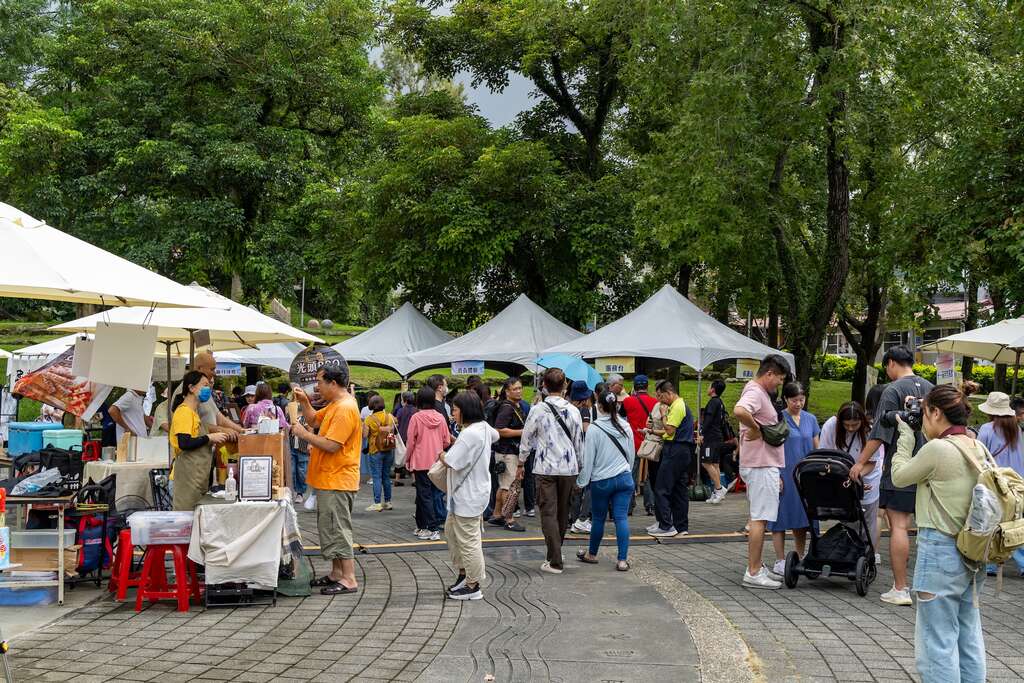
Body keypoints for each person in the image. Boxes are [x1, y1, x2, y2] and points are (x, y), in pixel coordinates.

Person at [890, 383, 989, 682]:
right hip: (974, 549)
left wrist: (906, 438)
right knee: (968, 634)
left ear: (935, 412)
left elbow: (899, 477)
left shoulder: (937, 449)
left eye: (925, 412)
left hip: (940, 551)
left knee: (937, 641)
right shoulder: (975, 445)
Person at [850, 345, 934, 606]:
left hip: (903, 467)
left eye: (887, 366)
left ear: (892, 364)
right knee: (930, 529)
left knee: (899, 526)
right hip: (932, 465)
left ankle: (900, 588)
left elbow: (879, 434)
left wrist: (860, 462)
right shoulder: (932, 388)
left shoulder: (893, 390)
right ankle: (929, 589)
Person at [292, 365, 362, 595]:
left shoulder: (345, 408)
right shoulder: (335, 405)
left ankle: (349, 578)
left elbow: (332, 445)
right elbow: (313, 420)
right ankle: (336, 573)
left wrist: (304, 436)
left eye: (320, 382)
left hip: (338, 478)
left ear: (333, 383)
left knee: (338, 528)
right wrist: (303, 400)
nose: (317, 387)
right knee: (329, 527)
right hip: (328, 478)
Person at [518, 368, 585, 574]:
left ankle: (555, 559)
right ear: (565, 385)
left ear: (544, 386)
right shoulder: (574, 411)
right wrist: (580, 466)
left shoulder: (538, 409)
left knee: (548, 512)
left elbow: (526, 438)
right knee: (563, 513)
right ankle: (555, 553)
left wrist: (521, 462)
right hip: (569, 468)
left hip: (545, 467)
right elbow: (579, 442)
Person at [733, 354, 789, 589]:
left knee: (760, 517)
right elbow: (739, 410)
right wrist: (756, 428)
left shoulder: (755, 390)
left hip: (761, 464)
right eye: (779, 378)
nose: (779, 383)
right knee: (759, 519)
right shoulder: (755, 392)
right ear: (769, 374)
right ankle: (753, 572)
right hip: (760, 465)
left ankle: (756, 566)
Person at [441, 392, 498, 601]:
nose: (453, 414)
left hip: (467, 496)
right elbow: (496, 436)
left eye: (455, 410)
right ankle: (465, 576)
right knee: (453, 534)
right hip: (472, 493)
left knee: (468, 541)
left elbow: (450, 461)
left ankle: (473, 586)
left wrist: (440, 453)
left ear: (464, 411)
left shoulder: (469, 434)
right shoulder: (483, 428)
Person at [575, 388, 635, 571]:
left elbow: (588, 460)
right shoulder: (625, 425)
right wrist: (627, 472)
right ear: (616, 405)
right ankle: (622, 560)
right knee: (621, 518)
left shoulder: (594, 428)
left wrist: (581, 482)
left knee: (599, 519)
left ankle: (592, 554)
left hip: (602, 481)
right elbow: (631, 454)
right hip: (624, 478)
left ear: (599, 406)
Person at [820, 398, 881, 563]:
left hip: (867, 476)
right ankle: (848, 553)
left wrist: (859, 476)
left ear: (862, 420)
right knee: (848, 516)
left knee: (868, 519)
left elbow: (872, 462)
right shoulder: (831, 426)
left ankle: (869, 555)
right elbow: (824, 455)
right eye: (846, 425)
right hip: (841, 477)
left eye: (855, 425)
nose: (851, 428)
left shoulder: (870, 429)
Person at [768, 382, 819, 575]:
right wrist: (776, 474)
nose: (798, 403)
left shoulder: (810, 419)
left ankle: (800, 555)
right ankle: (780, 559)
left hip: (806, 475)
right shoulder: (779, 418)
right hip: (784, 473)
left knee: (803, 518)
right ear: (786, 400)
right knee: (780, 518)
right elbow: (773, 447)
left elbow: (816, 447)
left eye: (801, 399)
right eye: (794, 400)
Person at [977, 391, 1024, 574]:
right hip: (1018, 484)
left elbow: (979, 456)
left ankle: (990, 564)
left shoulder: (987, 429)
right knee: (1016, 523)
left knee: (993, 523)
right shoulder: (1017, 429)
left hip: (997, 484)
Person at [169, 371, 230, 511]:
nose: (208, 389)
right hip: (186, 480)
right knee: (187, 523)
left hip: (196, 479)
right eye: (204, 385)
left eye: (209, 386)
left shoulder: (194, 413)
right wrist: (209, 438)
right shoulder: (184, 412)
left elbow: (196, 440)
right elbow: (184, 443)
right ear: (191, 388)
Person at [648, 379, 696, 538]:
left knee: (662, 488)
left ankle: (666, 525)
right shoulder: (680, 406)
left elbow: (669, 430)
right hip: (682, 450)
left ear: (669, 393)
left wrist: (663, 415)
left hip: (675, 450)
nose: (660, 401)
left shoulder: (676, 406)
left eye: (661, 397)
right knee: (679, 489)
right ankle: (681, 526)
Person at [406, 387, 452, 540]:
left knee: (424, 495)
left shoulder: (416, 418)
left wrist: (407, 458)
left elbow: (410, 442)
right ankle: (421, 526)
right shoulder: (440, 417)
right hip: (437, 461)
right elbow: (446, 441)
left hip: (420, 462)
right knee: (430, 494)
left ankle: (431, 528)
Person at [169, 350, 243, 440]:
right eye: (212, 369)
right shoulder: (184, 391)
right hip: (192, 450)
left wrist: (242, 430)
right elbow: (194, 424)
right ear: (199, 368)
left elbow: (218, 416)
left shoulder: (204, 389)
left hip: (206, 448)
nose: (214, 373)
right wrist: (221, 430)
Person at [486, 377, 528, 532]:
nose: (518, 391)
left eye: (520, 387)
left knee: (503, 485)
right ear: (507, 391)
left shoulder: (514, 406)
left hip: (505, 452)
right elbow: (499, 429)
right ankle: (509, 519)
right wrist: (522, 432)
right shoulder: (507, 408)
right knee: (509, 487)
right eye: (514, 389)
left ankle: (497, 515)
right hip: (507, 452)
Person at [568, 380, 596, 534]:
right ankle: (580, 519)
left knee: (574, 488)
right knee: (583, 486)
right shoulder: (584, 410)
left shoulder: (567, 407)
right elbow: (586, 429)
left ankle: (572, 518)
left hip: (567, 453)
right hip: (582, 452)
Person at [699, 379, 731, 505]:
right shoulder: (720, 402)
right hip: (718, 437)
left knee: (706, 463)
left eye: (709, 385)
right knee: (715, 464)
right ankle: (716, 490)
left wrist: (701, 433)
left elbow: (708, 419)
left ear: (713, 389)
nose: (707, 388)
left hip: (711, 437)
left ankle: (719, 488)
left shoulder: (713, 402)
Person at [363, 394, 397, 512]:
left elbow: (364, 435)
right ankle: (388, 502)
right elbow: (394, 426)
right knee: (386, 476)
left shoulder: (369, 419)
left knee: (376, 477)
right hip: (388, 448)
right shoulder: (389, 416)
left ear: (371, 405)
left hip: (375, 450)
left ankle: (377, 503)